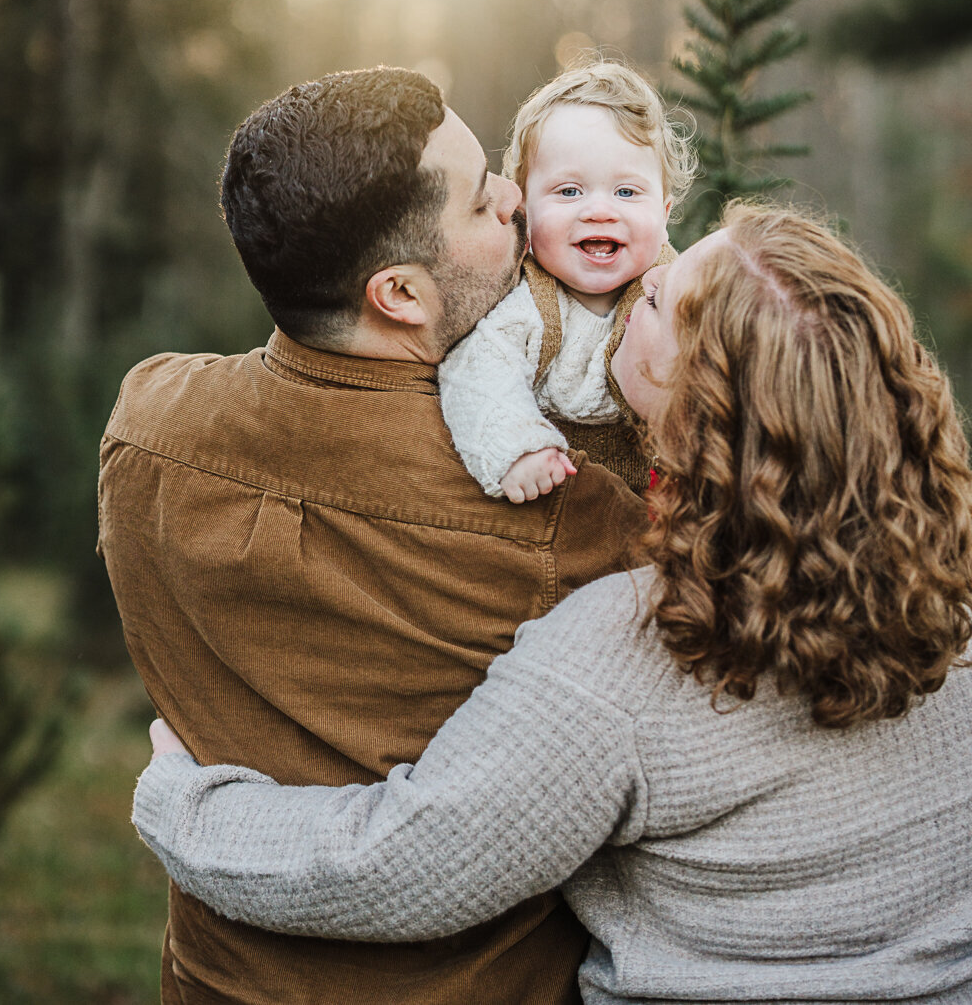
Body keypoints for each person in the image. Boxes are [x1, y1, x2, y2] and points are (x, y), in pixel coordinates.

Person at [133, 202, 972, 1004]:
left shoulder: (631, 651)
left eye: (655, 301)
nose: (648, 270)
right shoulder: (952, 593)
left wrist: (187, 805)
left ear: (706, 403)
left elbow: (404, 865)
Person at [98, 66, 646, 1005]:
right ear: (399, 294)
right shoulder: (558, 511)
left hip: (213, 980)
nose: (519, 197)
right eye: (483, 202)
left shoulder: (145, 424)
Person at [439, 61, 696, 502]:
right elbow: (477, 371)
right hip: (558, 507)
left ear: (665, 213)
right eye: (569, 191)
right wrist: (519, 448)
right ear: (525, 207)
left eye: (627, 192)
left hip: (663, 507)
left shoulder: (679, 287)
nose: (599, 210)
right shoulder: (524, 300)